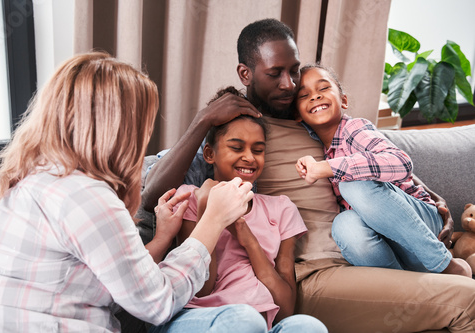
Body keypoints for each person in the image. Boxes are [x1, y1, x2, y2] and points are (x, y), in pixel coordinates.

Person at [142, 18, 475, 333]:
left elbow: (372, 159)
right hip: (316, 269)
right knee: (466, 298)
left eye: (294, 71)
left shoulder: (310, 116)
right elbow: (151, 194)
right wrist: (202, 121)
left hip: (365, 251)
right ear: (246, 73)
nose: (289, 84)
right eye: (275, 73)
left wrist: (426, 194)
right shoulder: (238, 133)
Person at [0, 52, 269, 333]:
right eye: (141, 126)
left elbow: (114, 283)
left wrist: (163, 237)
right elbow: (157, 303)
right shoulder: (86, 197)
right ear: (117, 128)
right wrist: (214, 220)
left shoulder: (20, 184)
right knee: (245, 322)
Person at [150, 87, 328, 333]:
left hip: (258, 322)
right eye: (236, 148)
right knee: (245, 320)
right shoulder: (191, 197)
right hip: (199, 317)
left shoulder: (281, 208)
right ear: (210, 154)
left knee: (308, 326)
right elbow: (202, 289)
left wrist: (249, 241)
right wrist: (206, 210)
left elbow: (285, 308)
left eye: (258, 150)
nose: (249, 158)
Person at [294, 64, 472, 277]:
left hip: (422, 226)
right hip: (393, 246)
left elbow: (401, 162)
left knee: (352, 183)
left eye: (323, 89)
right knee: (344, 224)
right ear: (297, 116)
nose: (315, 97)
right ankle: (404, 285)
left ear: (343, 100)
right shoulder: (317, 147)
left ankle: (444, 264)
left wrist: (327, 168)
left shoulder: (354, 129)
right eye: (304, 95)